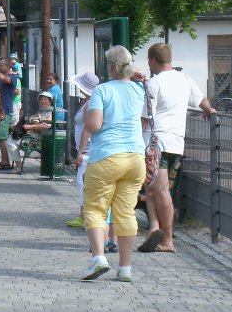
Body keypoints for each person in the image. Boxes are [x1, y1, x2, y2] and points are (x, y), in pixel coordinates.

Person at [75, 45, 147, 282]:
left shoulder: (102, 91)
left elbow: (94, 125)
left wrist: (86, 123)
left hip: (107, 156)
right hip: (135, 157)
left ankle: (98, 258)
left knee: (95, 209)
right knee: (125, 212)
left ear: (110, 66)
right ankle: (125, 267)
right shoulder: (139, 90)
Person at [138, 43, 215, 253]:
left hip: (157, 142)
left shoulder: (154, 84)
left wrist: (134, 139)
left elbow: (145, 118)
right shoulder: (185, 79)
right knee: (153, 187)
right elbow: (203, 101)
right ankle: (155, 228)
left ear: (153, 60)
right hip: (177, 142)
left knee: (159, 189)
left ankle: (168, 240)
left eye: (148, 59)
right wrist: (209, 111)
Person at [66, 71, 101, 230]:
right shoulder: (88, 102)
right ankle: (83, 214)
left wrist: (80, 151)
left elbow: (87, 128)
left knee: (82, 182)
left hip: (87, 150)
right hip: (87, 149)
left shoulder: (89, 104)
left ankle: (85, 215)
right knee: (82, 182)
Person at [8, 52, 23, 125]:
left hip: (15, 102)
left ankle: (14, 133)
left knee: (14, 120)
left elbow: (17, 91)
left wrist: (7, 92)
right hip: (11, 102)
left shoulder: (16, 79)